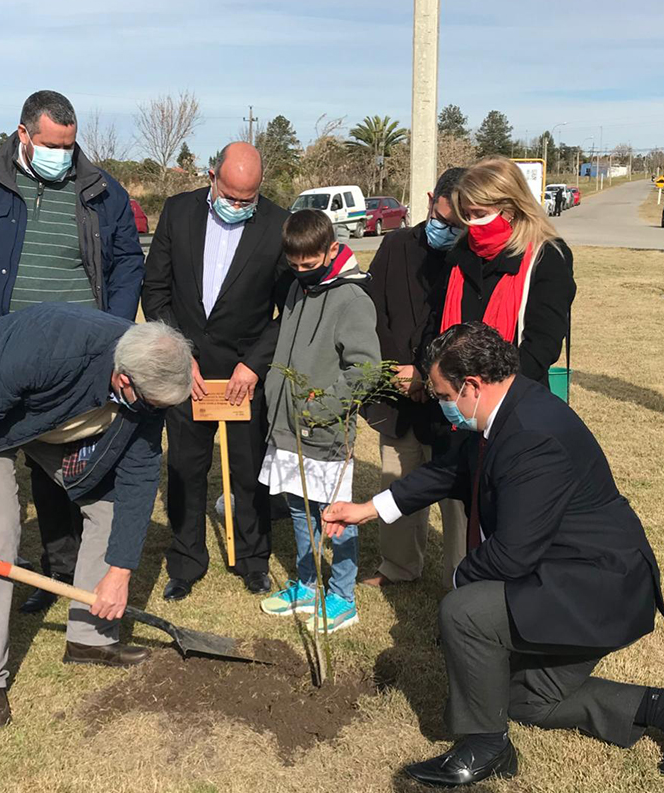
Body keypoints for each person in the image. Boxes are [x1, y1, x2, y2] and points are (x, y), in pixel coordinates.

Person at [324, 323, 664, 786]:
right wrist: (367, 510)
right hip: (579, 574)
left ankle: (484, 748)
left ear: (471, 385)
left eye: (441, 393)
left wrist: (457, 590)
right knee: (517, 698)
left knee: (466, 612)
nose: (439, 403)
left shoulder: (531, 435)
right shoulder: (510, 408)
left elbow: (511, 556)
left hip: (599, 587)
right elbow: (450, 471)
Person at [0, 304, 191, 729]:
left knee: (110, 506)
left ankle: (89, 638)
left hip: (51, 414)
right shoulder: (51, 348)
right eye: (152, 403)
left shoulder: (145, 381)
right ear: (125, 379)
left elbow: (138, 477)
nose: (155, 411)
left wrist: (119, 572)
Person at [0, 90, 145, 614]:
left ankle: (67, 569)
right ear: (24, 134)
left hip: (84, 355)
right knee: (9, 461)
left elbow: (126, 263)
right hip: (3, 348)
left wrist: (116, 332)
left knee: (68, 466)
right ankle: (50, 569)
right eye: (53, 144)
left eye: (71, 145)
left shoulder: (101, 190)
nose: (64, 154)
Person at [141, 141, 291, 600]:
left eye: (249, 199)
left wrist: (254, 363)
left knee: (248, 469)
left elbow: (289, 309)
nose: (240, 205)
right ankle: (186, 560)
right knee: (186, 468)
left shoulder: (278, 225)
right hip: (189, 371)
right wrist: (178, 350)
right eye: (231, 195)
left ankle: (252, 558)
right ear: (212, 177)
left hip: (245, 374)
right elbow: (156, 290)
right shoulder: (178, 212)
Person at [256, 210, 379, 633]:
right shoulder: (294, 289)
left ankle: (343, 597)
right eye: (294, 266)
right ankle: (307, 584)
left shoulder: (352, 299)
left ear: (330, 250)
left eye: (309, 266)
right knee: (298, 510)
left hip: (325, 431)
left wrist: (321, 408)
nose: (301, 273)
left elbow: (365, 370)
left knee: (337, 518)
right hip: (287, 428)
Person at [362, 168, 469, 590]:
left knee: (458, 499)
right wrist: (396, 370)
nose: (449, 230)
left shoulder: (472, 257)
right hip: (397, 393)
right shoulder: (395, 245)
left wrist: (430, 375)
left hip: (451, 397)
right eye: (444, 220)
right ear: (430, 199)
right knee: (397, 480)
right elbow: (374, 310)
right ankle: (399, 565)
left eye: (459, 225)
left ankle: (460, 578)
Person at [432, 156, 575, 386]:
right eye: (466, 215)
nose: (471, 224)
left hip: (513, 399)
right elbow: (436, 321)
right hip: (455, 397)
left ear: (511, 209)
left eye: (479, 214)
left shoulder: (547, 257)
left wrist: (491, 393)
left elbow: (542, 344)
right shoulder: (461, 251)